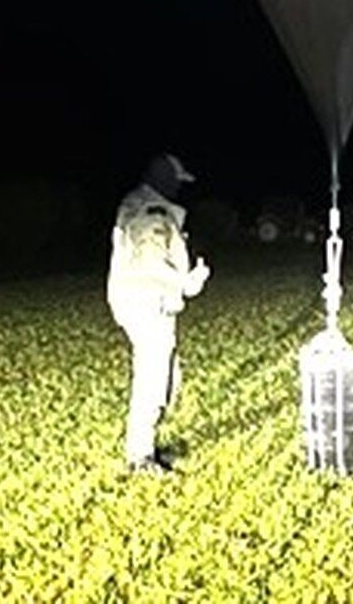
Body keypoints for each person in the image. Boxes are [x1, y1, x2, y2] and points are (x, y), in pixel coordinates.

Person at [107, 152, 211, 472]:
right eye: (176, 182)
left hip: (139, 301)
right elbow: (150, 260)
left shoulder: (138, 203)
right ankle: (140, 457)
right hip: (148, 303)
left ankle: (146, 444)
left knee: (167, 378)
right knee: (153, 378)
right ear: (163, 180)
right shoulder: (153, 212)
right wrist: (183, 286)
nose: (179, 189)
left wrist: (183, 282)